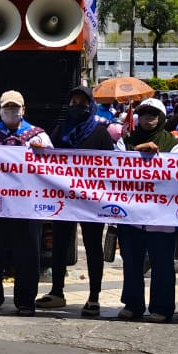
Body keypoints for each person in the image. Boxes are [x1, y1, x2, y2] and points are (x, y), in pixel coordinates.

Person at [0, 90, 53, 316]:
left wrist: (44, 153)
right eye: (7, 108)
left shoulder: (39, 136)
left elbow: (53, 167)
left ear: (23, 110)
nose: (11, 111)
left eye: (15, 108)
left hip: (27, 206)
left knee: (28, 255)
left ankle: (26, 301)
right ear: (0, 110)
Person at [39, 87, 115, 315]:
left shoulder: (100, 133)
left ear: (90, 105)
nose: (77, 106)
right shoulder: (61, 130)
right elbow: (47, 158)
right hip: (64, 199)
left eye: (82, 102)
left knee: (93, 246)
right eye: (73, 102)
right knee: (59, 244)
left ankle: (94, 297)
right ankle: (57, 292)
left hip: (91, 200)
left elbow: (111, 166)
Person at [115, 97, 178, 323]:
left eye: (153, 115)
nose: (147, 118)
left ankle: (162, 307)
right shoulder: (126, 141)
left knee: (162, 263)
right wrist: (138, 151)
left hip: (161, 216)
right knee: (131, 261)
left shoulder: (174, 144)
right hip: (131, 214)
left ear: (161, 118)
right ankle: (132, 304)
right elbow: (117, 168)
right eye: (143, 114)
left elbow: (172, 174)